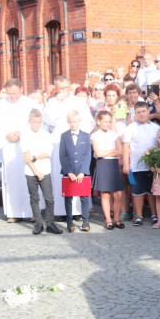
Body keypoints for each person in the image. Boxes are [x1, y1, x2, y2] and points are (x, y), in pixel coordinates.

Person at [43, 76, 94, 218]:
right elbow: (47, 120)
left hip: (77, 143)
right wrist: (58, 102)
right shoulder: (52, 102)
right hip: (59, 142)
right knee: (61, 175)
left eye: (66, 87)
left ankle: (77, 211)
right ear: (56, 88)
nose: (64, 91)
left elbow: (89, 122)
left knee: (77, 173)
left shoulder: (79, 101)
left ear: (70, 86)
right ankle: (60, 210)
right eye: (60, 88)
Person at [0, 79, 37, 222]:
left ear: (21, 89)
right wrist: (6, 134)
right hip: (9, 145)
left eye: (15, 93)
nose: (12, 97)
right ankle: (14, 212)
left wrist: (24, 133)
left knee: (29, 178)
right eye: (9, 94)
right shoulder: (0, 105)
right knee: (12, 179)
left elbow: (38, 122)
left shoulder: (30, 104)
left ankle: (33, 211)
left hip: (27, 145)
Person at [20, 109, 63, 235]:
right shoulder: (25, 135)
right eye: (34, 122)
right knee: (34, 198)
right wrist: (35, 170)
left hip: (45, 170)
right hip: (30, 171)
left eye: (39, 122)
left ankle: (50, 223)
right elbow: (26, 156)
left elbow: (47, 153)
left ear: (42, 121)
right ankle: (38, 223)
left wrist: (34, 158)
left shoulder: (45, 134)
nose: (36, 125)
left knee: (49, 198)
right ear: (29, 121)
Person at [122, 101, 159, 226]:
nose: (142, 114)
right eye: (138, 112)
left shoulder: (156, 127)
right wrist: (126, 165)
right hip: (134, 166)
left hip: (152, 167)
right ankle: (138, 215)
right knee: (136, 191)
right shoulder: (130, 127)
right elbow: (126, 146)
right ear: (135, 114)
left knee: (152, 191)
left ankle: (154, 215)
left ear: (148, 111)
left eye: (143, 111)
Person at [59, 110, 93, 232]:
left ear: (79, 121)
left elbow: (88, 154)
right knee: (68, 197)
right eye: (70, 122)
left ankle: (86, 221)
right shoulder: (64, 136)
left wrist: (83, 172)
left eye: (75, 121)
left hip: (82, 172)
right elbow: (62, 156)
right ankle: (69, 221)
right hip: (69, 171)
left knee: (84, 197)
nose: (73, 124)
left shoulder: (85, 135)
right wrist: (69, 172)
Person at [91, 110, 125, 230]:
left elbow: (120, 151)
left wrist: (107, 152)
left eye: (109, 122)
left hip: (113, 164)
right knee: (105, 194)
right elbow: (98, 153)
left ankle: (117, 218)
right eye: (105, 121)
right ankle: (108, 220)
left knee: (118, 194)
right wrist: (112, 151)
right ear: (99, 122)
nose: (107, 124)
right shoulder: (95, 135)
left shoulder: (114, 134)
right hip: (102, 164)